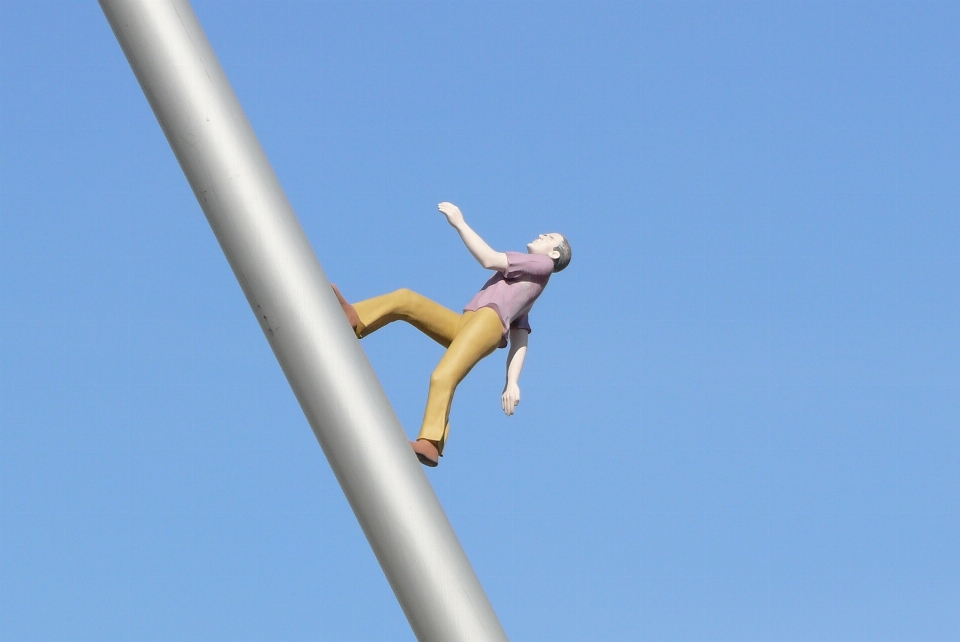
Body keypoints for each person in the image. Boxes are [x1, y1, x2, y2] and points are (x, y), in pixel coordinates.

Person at [334, 202, 571, 467]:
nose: (541, 236)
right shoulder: (528, 281)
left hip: (487, 323)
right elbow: (521, 334)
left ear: (553, 254)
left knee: (444, 375)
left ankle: (431, 442)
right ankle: (357, 318)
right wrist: (512, 381)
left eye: (548, 238)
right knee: (406, 300)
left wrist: (459, 222)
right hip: (468, 323)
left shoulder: (541, 265)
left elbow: (489, 259)